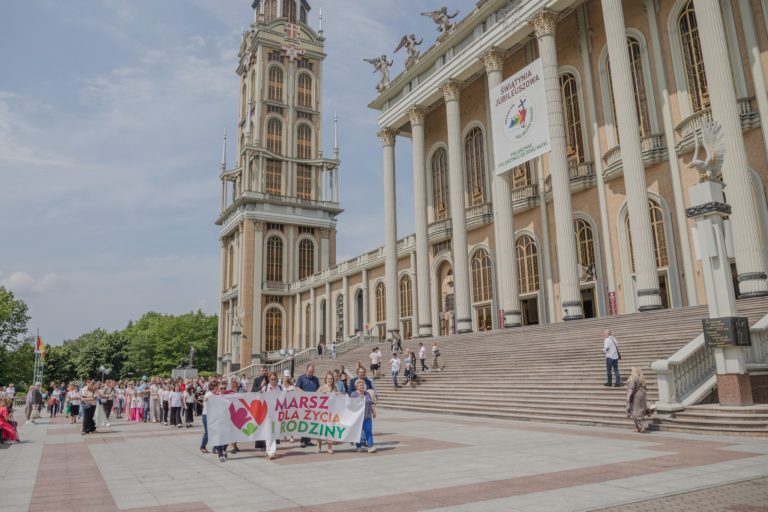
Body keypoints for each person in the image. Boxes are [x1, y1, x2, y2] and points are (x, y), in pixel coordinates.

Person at [295, 364, 319, 448]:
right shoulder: (301, 378)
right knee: (304, 422)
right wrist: (306, 394)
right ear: (306, 370)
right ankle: (303, 441)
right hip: (303, 403)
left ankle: (308, 440)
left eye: (312, 372)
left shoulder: (316, 379)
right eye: (309, 372)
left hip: (312, 404)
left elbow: (318, 389)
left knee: (310, 422)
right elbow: (297, 388)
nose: (311, 373)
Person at [350, 379, 376, 453]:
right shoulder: (354, 394)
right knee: (358, 432)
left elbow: (370, 403)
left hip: (367, 416)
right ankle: (358, 446)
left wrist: (374, 412)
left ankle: (370, 446)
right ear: (356, 386)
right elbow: (351, 405)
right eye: (360, 385)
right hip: (358, 418)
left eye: (363, 385)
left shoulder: (367, 393)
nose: (362, 386)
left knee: (369, 431)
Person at [261, 372, 282, 459]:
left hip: (277, 412)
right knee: (268, 431)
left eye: (274, 379)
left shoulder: (280, 388)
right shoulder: (265, 388)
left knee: (274, 431)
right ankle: (270, 450)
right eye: (271, 379)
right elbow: (260, 398)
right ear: (269, 379)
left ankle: (271, 451)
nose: (273, 381)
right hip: (267, 412)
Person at [317, 372, 337, 454]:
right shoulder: (321, 388)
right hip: (322, 412)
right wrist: (321, 394)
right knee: (320, 430)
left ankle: (329, 448)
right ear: (326, 379)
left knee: (330, 430)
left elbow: (339, 398)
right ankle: (319, 447)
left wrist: (337, 394)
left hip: (331, 412)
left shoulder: (335, 388)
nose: (330, 380)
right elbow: (315, 396)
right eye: (328, 378)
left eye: (331, 379)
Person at [626, 367, 650, 432]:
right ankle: (639, 427)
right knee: (640, 411)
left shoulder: (632, 377)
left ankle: (643, 425)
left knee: (634, 411)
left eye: (630, 370)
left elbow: (631, 388)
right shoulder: (641, 378)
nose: (630, 372)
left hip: (636, 396)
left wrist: (628, 397)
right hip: (642, 395)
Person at [200, 379, 217, 454]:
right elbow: (208, 403)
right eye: (217, 387)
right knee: (208, 432)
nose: (218, 388)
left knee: (215, 432)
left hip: (212, 416)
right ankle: (202, 447)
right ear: (214, 387)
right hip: (206, 415)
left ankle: (215, 448)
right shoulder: (209, 394)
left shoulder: (214, 394)